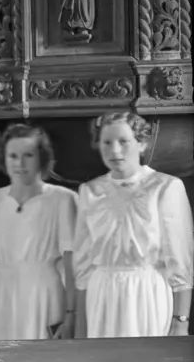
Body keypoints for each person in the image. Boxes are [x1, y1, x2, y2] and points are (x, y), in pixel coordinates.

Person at [74, 112, 192, 338]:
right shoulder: (90, 190)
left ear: (141, 143)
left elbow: (181, 259)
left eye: (123, 141)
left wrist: (181, 323)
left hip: (147, 292)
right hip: (102, 294)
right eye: (106, 142)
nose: (114, 150)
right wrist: (80, 328)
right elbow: (83, 264)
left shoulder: (165, 187)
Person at [0, 124, 77, 340]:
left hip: (45, 293)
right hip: (2, 295)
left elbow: (72, 263)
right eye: (13, 155)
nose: (20, 164)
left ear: (41, 157)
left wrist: (71, 315)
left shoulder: (63, 199)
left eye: (28, 155)